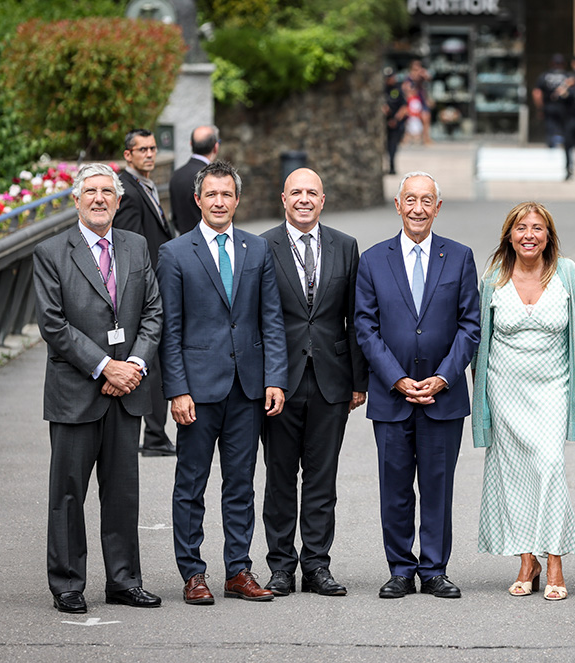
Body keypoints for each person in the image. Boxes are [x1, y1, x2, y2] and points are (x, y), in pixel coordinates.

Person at [157, 160, 289, 605]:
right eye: (211, 195)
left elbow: (270, 319)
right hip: (196, 390)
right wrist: (176, 389)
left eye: (226, 195)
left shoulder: (256, 249)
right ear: (198, 200)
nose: (219, 202)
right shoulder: (175, 253)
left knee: (240, 483)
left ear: (237, 199)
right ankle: (193, 573)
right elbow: (169, 330)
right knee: (191, 484)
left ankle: (238, 570)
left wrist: (275, 378)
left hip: (248, 388)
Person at [34, 163, 164, 613]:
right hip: (76, 391)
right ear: (76, 199)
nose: (98, 199)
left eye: (107, 191)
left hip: (128, 390)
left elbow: (153, 312)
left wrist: (134, 366)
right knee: (68, 493)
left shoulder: (136, 245)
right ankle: (67, 583)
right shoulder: (51, 251)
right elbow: (53, 324)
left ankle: (124, 580)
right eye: (90, 191)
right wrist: (106, 365)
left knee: (123, 491)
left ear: (118, 199)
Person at [354, 171, 481, 600]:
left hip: (443, 397)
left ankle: (434, 569)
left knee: (438, 486)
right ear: (397, 204)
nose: (418, 209)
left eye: (427, 201)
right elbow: (366, 328)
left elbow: (469, 326)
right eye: (411, 200)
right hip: (392, 396)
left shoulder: (459, 257)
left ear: (438, 208)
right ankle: (400, 569)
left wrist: (444, 377)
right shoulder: (372, 260)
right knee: (394, 488)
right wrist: (397, 378)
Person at [259, 168, 368, 597]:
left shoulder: (344, 246)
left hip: (331, 379)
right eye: (296, 192)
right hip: (278, 382)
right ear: (282, 199)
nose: (304, 199)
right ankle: (281, 566)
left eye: (312, 193)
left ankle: (317, 566)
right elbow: (257, 317)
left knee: (323, 478)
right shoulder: (262, 246)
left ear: (323, 200)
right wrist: (266, 378)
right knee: (280, 476)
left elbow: (355, 317)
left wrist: (359, 380)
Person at [472, 202, 575, 602]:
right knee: (513, 474)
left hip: (553, 387)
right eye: (521, 228)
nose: (529, 235)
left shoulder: (567, 273)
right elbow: (478, 342)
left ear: (548, 236)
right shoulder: (492, 279)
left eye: (538, 228)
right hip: (504, 389)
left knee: (550, 465)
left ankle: (554, 558)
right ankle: (527, 560)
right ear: (509, 235)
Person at [114, 128, 177, 457]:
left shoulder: (144, 186)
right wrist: (150, 291)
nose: (150, 154)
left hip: (155, 286)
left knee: (154, 362)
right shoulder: (127, 191)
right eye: (142, 150)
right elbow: (132, 247)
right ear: (128, 155)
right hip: (146, 291)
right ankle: (154, 436)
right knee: (150, 362)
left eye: (153, 148)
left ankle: (155, 434)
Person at [170, 125, 220, 235]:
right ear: (215, 147)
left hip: (184, 240)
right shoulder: (212, 177)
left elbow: (175, 217)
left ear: (191, 144)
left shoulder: (177, 175)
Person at [532, 54, 569, 148]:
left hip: (549, 106)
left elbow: (537, 93)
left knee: (550, 130)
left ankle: (551, 150)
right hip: (564, 107)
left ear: (552, 63)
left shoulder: (545, 76)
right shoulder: (567, 76)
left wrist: (540, 108)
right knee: (565, 130)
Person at [383, 68, 407, 175]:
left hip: (396, 123)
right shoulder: (382, 89)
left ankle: (392, 166)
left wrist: (396, 119)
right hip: (384, 123)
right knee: (385, 146)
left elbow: (404, 106)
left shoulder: (397, 89)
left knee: (393, 146)